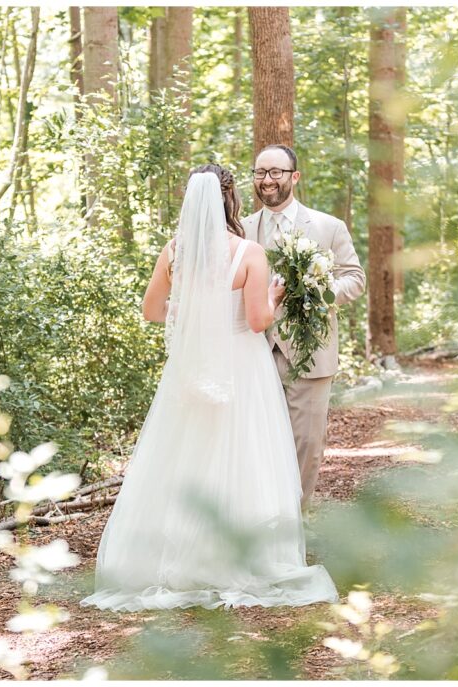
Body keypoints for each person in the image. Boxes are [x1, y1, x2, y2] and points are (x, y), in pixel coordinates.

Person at [80, 165, 339, 612]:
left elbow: (152, 310)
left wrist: (196, 314)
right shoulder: (249, 253)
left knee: (186, 455)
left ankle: (178, 556)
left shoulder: (175, 250)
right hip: (242, 365)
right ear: (229, 199)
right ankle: (240, 554)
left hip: (192, 365)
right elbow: (258, 321)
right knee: (244, 455)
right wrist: (277, 296)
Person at [242, 145, 367, 510]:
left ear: (294, 176)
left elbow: (355, 279)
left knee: (307, 445)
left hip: (310, 353)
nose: (267, 180)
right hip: (253, 351)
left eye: (276, 172)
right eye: (260, 172)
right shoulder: (242, 228)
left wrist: (318, 291)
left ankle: (295, 523)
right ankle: (259, 521)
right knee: (255, 443)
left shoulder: (328, 227)